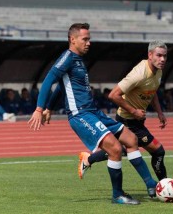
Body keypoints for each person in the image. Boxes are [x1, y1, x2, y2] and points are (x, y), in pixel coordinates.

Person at [28, 23, 157, 205]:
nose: (89, 43)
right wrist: (39, 108)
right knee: (114, 149)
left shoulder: (79, 60)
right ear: (72, 40)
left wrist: (49, 107)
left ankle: (151, 184)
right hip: (80, 114)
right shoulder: (67, 57)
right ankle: (117, 195)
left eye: (89, 39)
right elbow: (49, 80)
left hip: (94, 111)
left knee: (131, 139)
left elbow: (61, 87)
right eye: (85, 39)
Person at [78, 40, 168, 182]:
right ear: (150, 55)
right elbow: (113, 95)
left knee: (122, 150)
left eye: (164, 56)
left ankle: (88, 159)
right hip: (128, 120)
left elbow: (152, 90)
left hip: (136, 120)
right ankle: (163, 185)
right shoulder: (139, 74)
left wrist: (160, 112)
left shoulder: (158, 71)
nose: (162, 59)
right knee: (158, 151)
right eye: (159, 55)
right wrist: (134, 111)